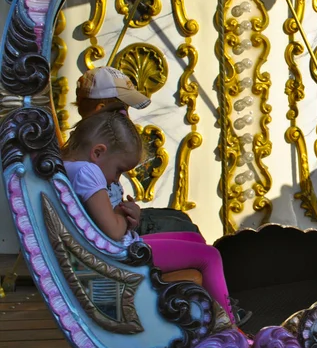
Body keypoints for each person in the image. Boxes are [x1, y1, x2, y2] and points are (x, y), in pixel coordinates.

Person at [61, 105, 245, 326]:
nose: (115, 178)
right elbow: (113, 230)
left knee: (192, 238)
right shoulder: (87, 171)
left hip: (117, 249)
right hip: (120, 255)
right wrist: (123, 214)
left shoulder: (72, 167)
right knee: (210, 256)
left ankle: (207, 307)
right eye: (118, 170)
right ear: (98, 152)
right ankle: (230, 328)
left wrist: (130, 217)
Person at [75, 66, 201, 236]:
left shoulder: (85, 146)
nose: (126, 118)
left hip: (118, 216)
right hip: (115, 227)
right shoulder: (90, 153)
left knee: (181, 218)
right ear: (100, 109)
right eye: (121, 111)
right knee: (186, 229)